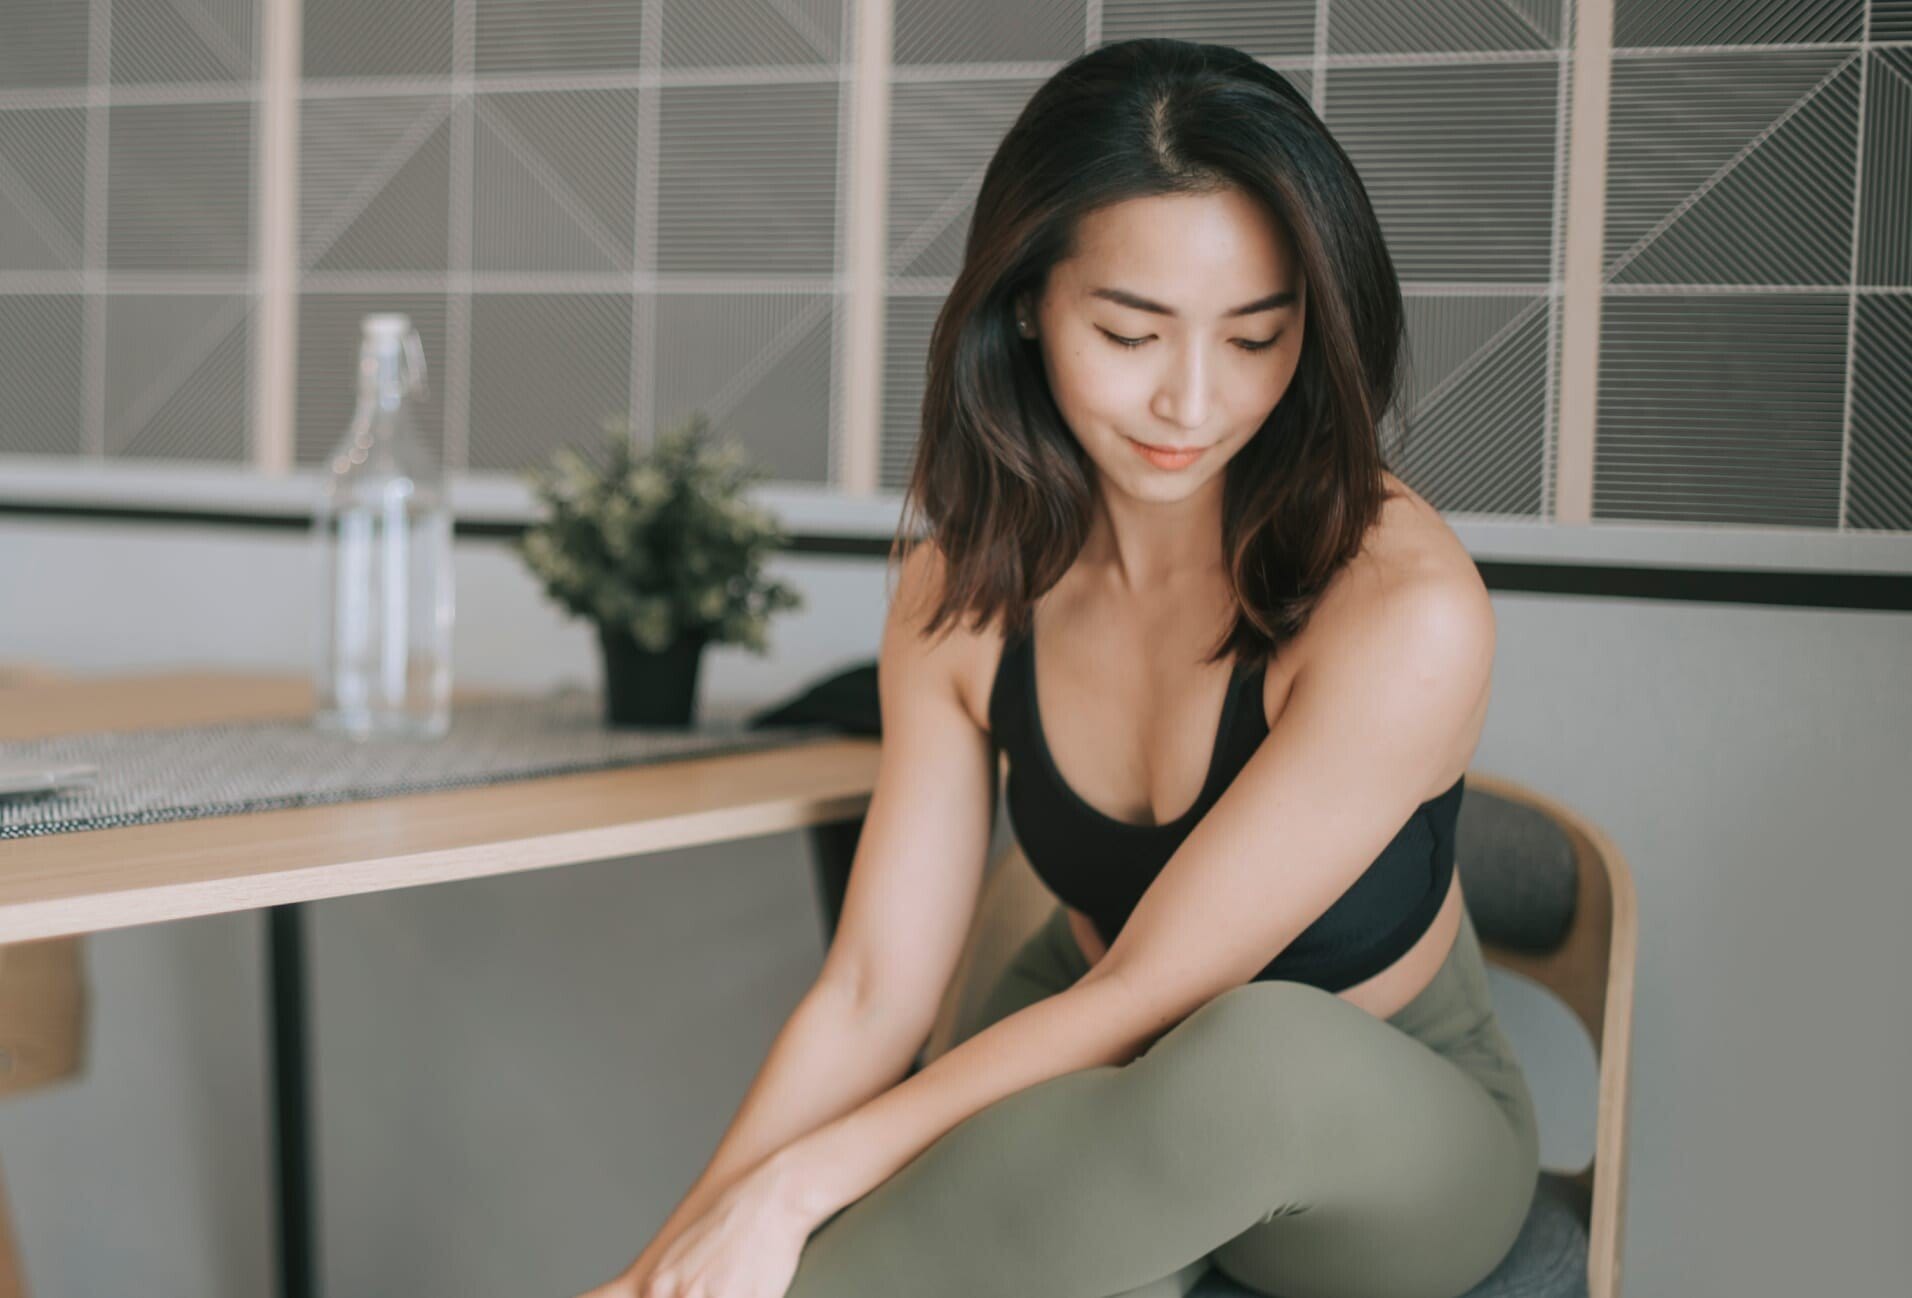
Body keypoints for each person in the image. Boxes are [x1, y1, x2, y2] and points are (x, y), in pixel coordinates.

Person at [576, 36, 1539, 1298]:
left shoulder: (1402, 605)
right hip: (1111, 1084)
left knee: (1245, 1050)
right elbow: (871, 991)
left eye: (1257, 337)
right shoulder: (958, 596)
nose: (1191, 401)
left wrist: (803, 1183)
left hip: (1383, 1128)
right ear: (1028, 301)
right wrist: (670, 1252)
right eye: (1131, 333)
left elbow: (1155, 986)